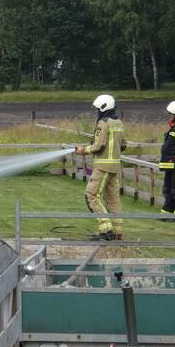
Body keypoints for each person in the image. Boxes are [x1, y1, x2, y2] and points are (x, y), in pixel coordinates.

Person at [74, 94, 127, 240]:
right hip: (115, 166)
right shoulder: (119, 123)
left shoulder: (103, 123)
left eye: (98, 108)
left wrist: (83, 150)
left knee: (91, 195)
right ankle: (117, 232)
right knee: (113, 199)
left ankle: (106, 230)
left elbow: (98, 146)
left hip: (103, 166)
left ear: (103, 107)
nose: (97, 111)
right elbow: (124, 145)